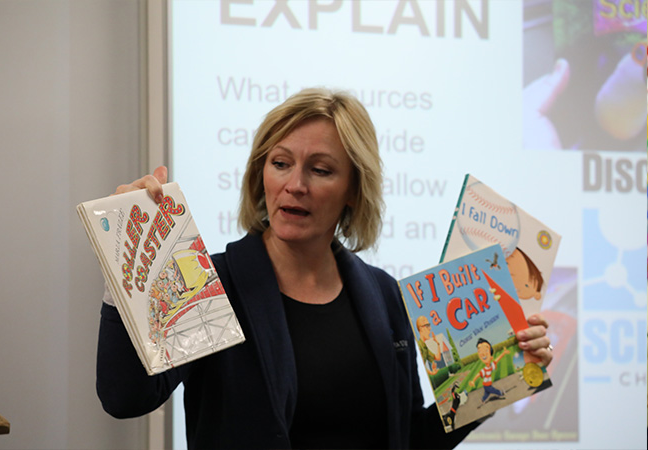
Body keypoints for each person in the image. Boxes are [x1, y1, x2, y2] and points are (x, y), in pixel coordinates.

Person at [96, 88, 554, 449]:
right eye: (280, 164)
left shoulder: (384, 295)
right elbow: (126, 398)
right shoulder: (213, 283)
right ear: (261, 175)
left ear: (354, 189)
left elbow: (407, 440)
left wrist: (504, 375)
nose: (295, 185)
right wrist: (126, 262)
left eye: (320, 170)